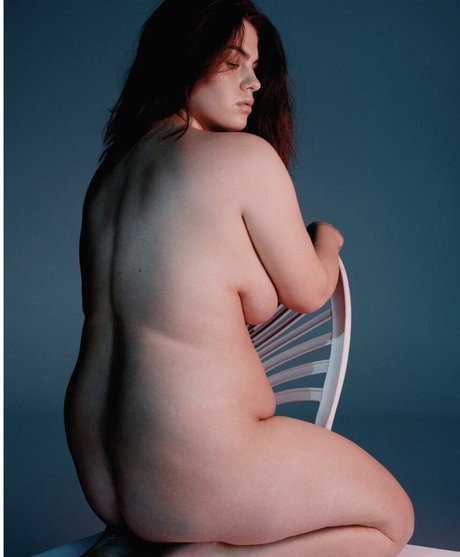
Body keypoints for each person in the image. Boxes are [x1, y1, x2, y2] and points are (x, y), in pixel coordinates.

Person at [64, 1, 414, 555]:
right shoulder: (244, 158)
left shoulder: (109, 178)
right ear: (182, 60)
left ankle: (140, 541)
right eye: (233, 62)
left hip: (105, 469)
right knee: (393, 521)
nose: (254, 82)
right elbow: (309, 291)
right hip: (195, 462)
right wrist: (326, 239)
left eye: (255, 66)